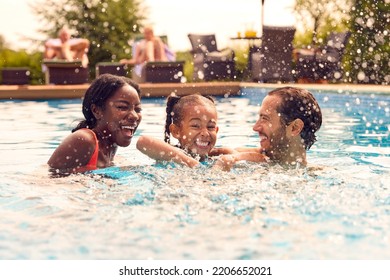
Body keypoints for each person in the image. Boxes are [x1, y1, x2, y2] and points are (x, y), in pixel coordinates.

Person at [48, 74, 142, 174]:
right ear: (97, 111)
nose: (135, 116)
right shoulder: (84, 139)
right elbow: (47, 180)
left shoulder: (110, 143)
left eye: (138, 109)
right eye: (122, 107)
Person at [215, 86, 322, 171]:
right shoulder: (238, 159)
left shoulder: (317, 174)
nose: (255, 127)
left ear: (295, 128)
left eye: (265, 119)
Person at [136, 94, 234, 168]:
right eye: (196, 126)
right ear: (176, 131)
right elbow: (143, 142)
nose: (205, 133)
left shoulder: (219, 154)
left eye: (211, 127)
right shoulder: (170, 153)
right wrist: (191, 163)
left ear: (216, 130)